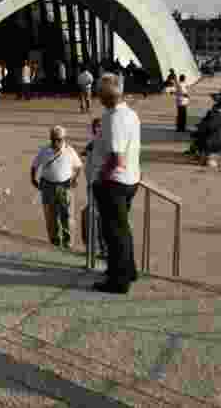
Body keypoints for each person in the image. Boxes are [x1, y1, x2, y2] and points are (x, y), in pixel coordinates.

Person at [92, 73, 141, 294]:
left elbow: (116, 157)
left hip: (114, 183)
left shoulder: (114, 118)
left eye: (99, 92)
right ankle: (128, 270)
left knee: (113, 232)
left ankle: (118, 280)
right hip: (129, 180)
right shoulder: (129, 113)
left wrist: (101, 176)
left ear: (106, 95)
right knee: (122, 228)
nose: (97, 96)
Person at [30, 125, 83, 248]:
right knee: (51, 216)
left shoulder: (70, 150)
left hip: (64, 186)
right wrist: (33, 179)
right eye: (53, 139)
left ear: (64, 139)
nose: (55, 142)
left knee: (67, 215)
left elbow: (78, 166)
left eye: (58, 139)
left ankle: (68, 242)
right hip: (48, 185)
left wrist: (74, 179)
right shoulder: (44, 150)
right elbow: (34, 165)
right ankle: (54, 242)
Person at [81, 118, 108, 258]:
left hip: (100, 185)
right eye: (95, 127)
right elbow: (85, 153)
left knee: (98, 216)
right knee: (91, 215)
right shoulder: (92, 143)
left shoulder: (105, 143)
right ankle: (95, 247)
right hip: (92, 184)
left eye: (99, 127)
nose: (96, 129)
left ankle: (101, 248)